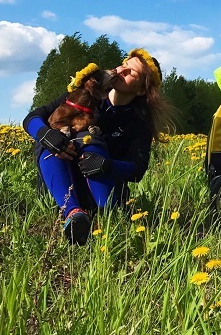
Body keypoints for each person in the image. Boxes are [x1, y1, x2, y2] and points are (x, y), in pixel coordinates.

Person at [23, 48, 176, 245]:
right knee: (52, 141)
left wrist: (108, 165)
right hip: (63, 184)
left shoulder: (138, 123)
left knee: (90, 141)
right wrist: (46, 134)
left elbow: (138, 169)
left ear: (140, 89)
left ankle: (107, 219)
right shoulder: (83, 94)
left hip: (103, 188)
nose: (122, 71)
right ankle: (72, 213)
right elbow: (32, 118)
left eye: (132, 72)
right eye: (123, 65)